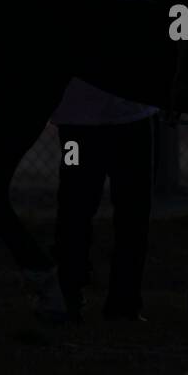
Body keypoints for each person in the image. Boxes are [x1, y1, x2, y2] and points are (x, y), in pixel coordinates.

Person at [50, 78, 157, 321]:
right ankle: (122, 301)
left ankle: (71, 293)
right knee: (130, 213)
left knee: (75, 208)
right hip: (125, 115)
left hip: (80, 117)